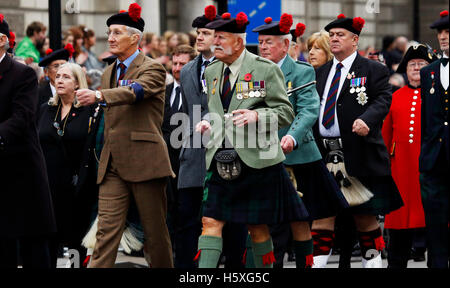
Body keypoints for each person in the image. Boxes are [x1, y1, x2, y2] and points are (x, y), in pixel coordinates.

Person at [194, 11, 310, 268]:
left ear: (238, 41)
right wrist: (208, 122)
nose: (214, 44)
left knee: (257, 226)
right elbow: (217, 110)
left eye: (220, 38)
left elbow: (285, 112)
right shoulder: (212, 70)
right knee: (210, 221)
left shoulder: (264, 68)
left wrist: (256, 115)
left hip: (256, 159)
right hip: (220, 158)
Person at [76, 3, 174, 268]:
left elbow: (134, 93)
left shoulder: (153, 68)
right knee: (105, 232)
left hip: (146, 162)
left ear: (135, 38)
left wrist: (98, 95)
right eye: (109, 32)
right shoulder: (109, 71)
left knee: (154, 234)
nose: (110, 37)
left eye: (117, 32)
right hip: (113, 166)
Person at [253, 15, 348, 268]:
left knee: (301, 219)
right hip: (264, 156)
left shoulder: (302, 71)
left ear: (286, 45)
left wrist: (291, 137)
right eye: (260, 42)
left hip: (299, 155)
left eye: (269, 42)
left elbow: (308, 110)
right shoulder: (252, 71)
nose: (262, 47)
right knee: (270, 223)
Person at [311, 13, 403, 268]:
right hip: (326, 154)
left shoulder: (373, 69)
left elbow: (383, 98)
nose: (334, 39)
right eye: (332, 35)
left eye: (340, 35)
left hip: (359, 153)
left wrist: (367, 120)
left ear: (355, 40)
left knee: (365, 218)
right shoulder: (321, 72)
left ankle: (372, 265)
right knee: (321, 217)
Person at [177, 5, 248, 269]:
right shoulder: (187, 70)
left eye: (206, 33)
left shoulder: (232, 67)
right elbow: (185, 111)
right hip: (193, 154)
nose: (199, 37)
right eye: (198, 32)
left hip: (226, 153)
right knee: (188, 219)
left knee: (230, 221)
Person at [0, 14, 56, 268]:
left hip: (21, 168)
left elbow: (22, 117)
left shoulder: (22, 73)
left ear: (2, 41)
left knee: (32, 242)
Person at [382, 44, 437, 268]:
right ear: (405, 70)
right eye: (412, 64)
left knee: (436, 231)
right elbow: (385, 136)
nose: (416, 68)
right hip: (401, 174)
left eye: (421, 64)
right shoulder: (394, 98)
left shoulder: (438, 96)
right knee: (398, 237)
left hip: (431, 174)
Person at [38, 62, 95, 268]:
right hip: (47, 185)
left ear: (78, 83)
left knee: (75, 241)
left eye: (66, 77)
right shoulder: (46, 108)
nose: (60, 80)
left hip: (76, 186)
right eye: (58, 76)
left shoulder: (90, 111)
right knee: (48, 239)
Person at [419, 10, 449, 268]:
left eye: (448, 32)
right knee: (435, 219)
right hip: (433, 158)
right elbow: (425, 119)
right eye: (440, 33)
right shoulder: (429, 71)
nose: (443, 37)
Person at [161, 44, 197, 260]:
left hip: (189, 162)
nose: (177, 68)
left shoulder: (198, 93)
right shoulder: (162, 93)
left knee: (187, 215)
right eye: (174, 63)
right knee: (167, 212)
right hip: (165, 163)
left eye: (182, 64)